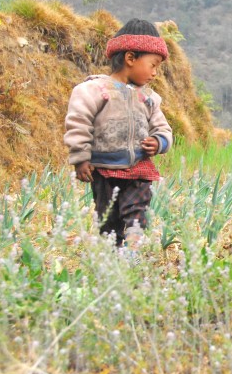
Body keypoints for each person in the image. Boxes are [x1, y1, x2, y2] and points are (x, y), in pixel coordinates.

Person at [64, 18, 173, 246]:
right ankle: (112, 254)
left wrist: (159, 141)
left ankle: (133, 250)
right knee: (108, 220)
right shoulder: (95, 90)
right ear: (130, 58)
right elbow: (79, 122)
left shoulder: (149, 98)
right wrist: (80, 157)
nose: (155, 73)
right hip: (104, 171)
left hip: (138, 169)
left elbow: (163, 127)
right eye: (153, 65)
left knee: (137, 213)